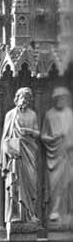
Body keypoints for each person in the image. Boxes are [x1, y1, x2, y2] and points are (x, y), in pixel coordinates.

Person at [1, 86, 41, 227]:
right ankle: (16, 215)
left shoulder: (32, 115)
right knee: (15, 182)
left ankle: (31, 214)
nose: (25, 100)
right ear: (17, 99)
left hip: (29, 151)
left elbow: (37, 133)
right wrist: (9, 151)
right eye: (22, 97)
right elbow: (5, 138)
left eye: (27, 98)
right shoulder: (10, 115)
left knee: (31, 182)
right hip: (16, 154)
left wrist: (28, 131)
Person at [42, 86, 73, 229]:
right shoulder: (49, 114)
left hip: (68, 153)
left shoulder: (70, 114)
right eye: (58, 98)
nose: (61, 100)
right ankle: (54, 211)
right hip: (53, 155)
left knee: (67, 184)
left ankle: (66, 212)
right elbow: (43, 136)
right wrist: (53, 138)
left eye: (63, 98)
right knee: (54, 185)